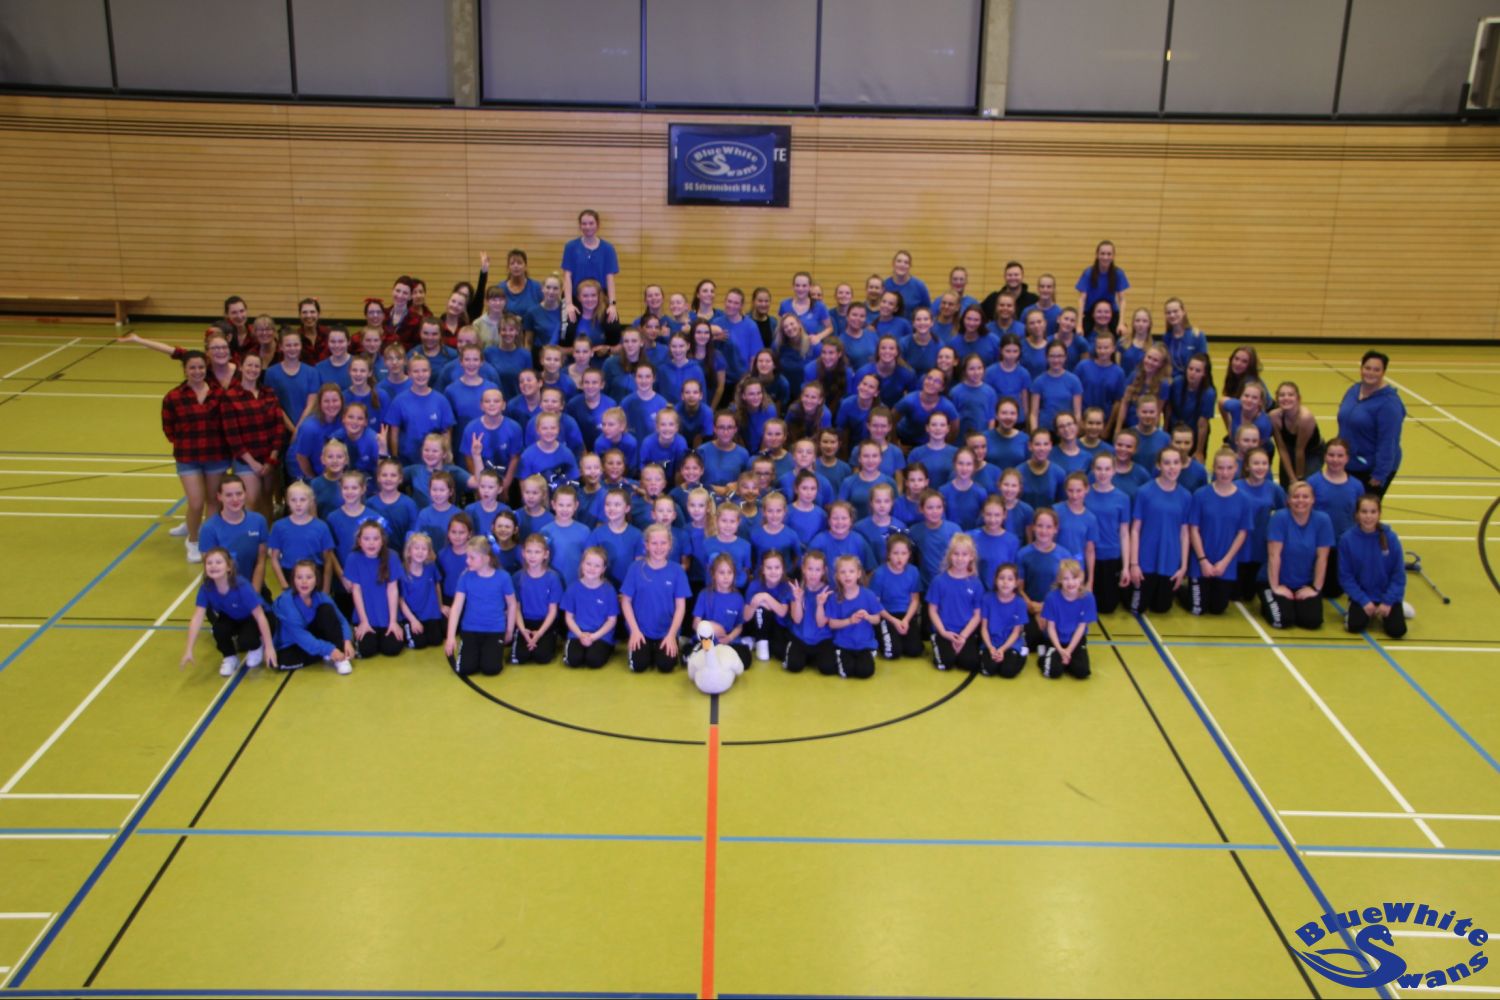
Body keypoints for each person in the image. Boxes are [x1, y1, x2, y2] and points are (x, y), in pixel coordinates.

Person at [161, 350, 230, 563]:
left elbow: (226, 423)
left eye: (201, 367)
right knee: (196, 502)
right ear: (185, 370)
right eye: (192, 368)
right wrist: (185, 442)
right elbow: (169, 429)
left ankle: (208, 541)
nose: (197, 371)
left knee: (213, 501)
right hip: (188, 457)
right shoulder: (173, 397)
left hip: (216, 455)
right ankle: (192, 540)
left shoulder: (219, 394)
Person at [180, 547, 278, 676]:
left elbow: (260, 616)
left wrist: (269, 647)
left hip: (254, 616)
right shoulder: (206, 588)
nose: (213, 566)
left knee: (247, 641)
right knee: (219, 630)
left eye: (218, 562)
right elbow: (197, 618)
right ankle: (230, 657)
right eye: (209, 563)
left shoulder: (241, 586)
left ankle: (257, 645)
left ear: (229, 567)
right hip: (232, 615)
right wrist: (189, 649)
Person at [1186, 450, 1252, 616]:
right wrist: (1203, 561)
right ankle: (1184, 589)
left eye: (1229, 468)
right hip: (1201, 561)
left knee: (1218, 609)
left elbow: (1242, 533)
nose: (1225, 473)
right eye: (1220, 468)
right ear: (1214, 468)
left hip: (1225, 564)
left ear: (1236, 468)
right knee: (1198, 609)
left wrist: (1225, 562)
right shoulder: (1201, 495)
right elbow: (1193, 529)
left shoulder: (1244, 499)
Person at [1129, 447, 1193, 615]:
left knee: (1161, 608)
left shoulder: (1186, 496)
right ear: (1158, 465)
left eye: (1176, 463)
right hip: (1146, 560)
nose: (1172, 467)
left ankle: (1175, 590)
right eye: (1167, 463)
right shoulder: (1144, 492)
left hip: (1169, 560)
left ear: (1182, 465)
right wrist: (1134, 564)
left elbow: (1184, 533)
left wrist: (1183, 567)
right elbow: (1135, 530)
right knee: (1137, 608)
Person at [1263, 481, 1334, 630]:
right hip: (1276, 580)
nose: (1300, 500)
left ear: (1313, 499)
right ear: (1288, 500)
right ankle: (1271, 598)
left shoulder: (1323, 520)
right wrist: (1275, 587)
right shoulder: (1279, 518)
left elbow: (1322, 558)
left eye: (1305, 497)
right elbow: (1274, 555)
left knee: (1312, 622)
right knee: (1283, 620)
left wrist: (1315, 588)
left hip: (1304, 583)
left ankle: (1293, 604)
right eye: (1295, 497)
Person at [620, 524, 691, 673]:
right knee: (638, 666)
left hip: (666, 631)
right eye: (654, 543)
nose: (659, 548)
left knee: (666, 666)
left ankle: (672, 644)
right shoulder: (635, 568)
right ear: (646, 545)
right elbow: (626, 601)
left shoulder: (677, 571)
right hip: (641, 630)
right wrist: (634, 631)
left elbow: (680, 607)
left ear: (670, 545)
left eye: (663, 543)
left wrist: (671, 635)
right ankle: (646, 649)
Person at [445, 537, 518, 676]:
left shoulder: (503, 577)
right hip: (470, 629)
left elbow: (512, 604)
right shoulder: (465, 576)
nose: (467, 561)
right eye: (467, 557)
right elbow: (456, 607)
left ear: (486, 558)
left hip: (494, 629)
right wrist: (450, 637)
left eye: (472, 558)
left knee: (491, 669)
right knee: (466, 669)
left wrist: (509, 630)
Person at [1336, 350, 1405, 497]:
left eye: (1376, 370)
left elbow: (1389, 441)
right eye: (1367, 368)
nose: (1371, 373)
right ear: (1361, 368)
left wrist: (1380, 474)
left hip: (1371, 470)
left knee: (1364, 510)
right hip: (1348, 463)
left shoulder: (1389, 404)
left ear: (1383, 372)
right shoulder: (1354, 390)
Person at [1338, 495, 1408, 639]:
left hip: (1386, 595)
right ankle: (1357, 608)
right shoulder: (1347, 539)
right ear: (1357, 514)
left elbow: (1398, 575)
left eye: (1373, 512)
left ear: (1379, 514)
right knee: (1354, 626)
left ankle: (1397, 606)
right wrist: (1363, 600)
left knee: (1397, 631)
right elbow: (1345, 577)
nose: (1368, 516)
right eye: (1364, 512)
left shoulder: (1391, 538)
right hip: (1363, 595)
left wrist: (1388, 601)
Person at [272, 559, 356, 674]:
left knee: (326, 610)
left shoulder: (320, 597)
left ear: (316, 580)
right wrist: (329, 650)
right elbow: (301, 637)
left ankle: (340, 657)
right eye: (299, 577)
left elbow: (341, 620)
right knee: (281, 662)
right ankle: (330, 652)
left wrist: (347, 641)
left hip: (311, 637)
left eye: (309, 577)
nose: (304, 582)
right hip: (291, 643)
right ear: (293, 580)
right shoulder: (286, 602)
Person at [198, 475, 268, 598]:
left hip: (253, 589)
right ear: (219, 497)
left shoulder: (258, 521)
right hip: (223, 592)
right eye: (229, 495)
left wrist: (253, 596)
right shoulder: (209, 529)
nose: (235, 499)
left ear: (245, 494)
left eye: (239, 494)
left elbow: (260, 562)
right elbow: (212, 570)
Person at [344, 522, 405, 659]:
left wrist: (393, 621)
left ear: (382, 540)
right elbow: (356, 591)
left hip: (386, 616)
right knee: (367, 650)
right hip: (365, 615)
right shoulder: (353, 558)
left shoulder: (392, 556)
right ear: (359, 541)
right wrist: (363, 622)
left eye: (376, 538)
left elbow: (393, 589)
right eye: (366, 539)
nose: (371, 543)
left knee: (392, 648)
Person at [816, 554, 882, 680]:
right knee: (846, 671)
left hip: (864, 644)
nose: (847, 575)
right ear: (837, 576)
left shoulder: (869, 595)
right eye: (843, 572)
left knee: (865, 672)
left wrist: (868, 617)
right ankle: (838, 657)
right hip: (843, 644)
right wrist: (849, 621)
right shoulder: (834, 597)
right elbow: (832, 624)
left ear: (858, 574)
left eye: (851, 571)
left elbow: (877, 619)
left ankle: (865, 657)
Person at [925, 534, 983, 672]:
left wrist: (963, 636)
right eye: (956, 554)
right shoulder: (939, 581)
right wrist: (943, 632)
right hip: (944, 631)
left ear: (971, 557)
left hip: (965, 632)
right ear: (950, 556)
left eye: (964, 554)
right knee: (945, 663)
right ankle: (938, 641)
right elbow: (932, 610)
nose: (960, 558)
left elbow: (977, 615)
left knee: (969, 663)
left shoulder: (975, 583)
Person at [1038, 559, 1096, 680]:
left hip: (1075, 640)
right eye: (1066, 578)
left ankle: (1064, 659)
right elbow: (1051, 628)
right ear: (1059, 580)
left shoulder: (1088, 598)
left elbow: (1081, 627)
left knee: (1082, 672)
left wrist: (1068, 651)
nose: (1070, 583)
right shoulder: (1051, 598)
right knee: (1053, 672)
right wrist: (1060, 650)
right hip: (1056, 639)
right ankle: (1044, 654)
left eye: (1074, 578)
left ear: (1081, 578)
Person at [510, 534, 563, 664]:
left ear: (545, 554)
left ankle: (551, 637)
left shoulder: (553, 578)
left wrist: (539, 633)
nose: (532, 556)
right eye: (529, 551)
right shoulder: (517, 577)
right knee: (520, 657)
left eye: (537, 552)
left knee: (542, 657)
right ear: (523, 553)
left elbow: (552, 611)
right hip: (525, 622)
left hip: (545, 622)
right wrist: (523, 630)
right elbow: (516, 608)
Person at [869, 534, 923, 661]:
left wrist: (906, 620)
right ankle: (881, 636)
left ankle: (898, 637)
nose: (899, 558)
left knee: (915, 651)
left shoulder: (913, 572)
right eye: (895, 553)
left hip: (906, 615)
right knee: (892, 652)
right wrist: (894, 621)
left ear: (909, 555)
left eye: (903, 553)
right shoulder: (880, 573)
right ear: (888, 554)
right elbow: (875, 604)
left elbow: (915, 599)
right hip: (886, 615)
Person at [561, 209, 619, 324]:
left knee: (613, 327)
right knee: (569, 330)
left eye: (591, 223)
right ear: (580, 225)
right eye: (584, 223)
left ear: (598, 225)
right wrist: (569, 304)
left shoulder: (608, 248)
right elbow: (567, 277)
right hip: (576, 296)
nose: (587, 227)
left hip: (600, 298)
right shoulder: (571, 247)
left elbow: (610, 279)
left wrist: (612, 304)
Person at [786, 549, 834, 674]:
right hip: (800, 638)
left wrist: (820, 605)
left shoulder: (828, 592)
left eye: (817, 570)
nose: (813, 574)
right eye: (810, 569)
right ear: (803, 569)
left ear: (824, 571)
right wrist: (798, 600)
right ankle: (806, 657)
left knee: (827, 668)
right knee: (794, 666)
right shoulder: (797, 590)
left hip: (822, 638)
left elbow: (821, 623)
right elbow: (797, 620)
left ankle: (813, 657)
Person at [1269, 381, 1324, 490]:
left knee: (1306, 484)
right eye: (1282, 395)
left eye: (1290, 395)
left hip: (1312, 452)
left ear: (1298, 398)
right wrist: (1291, 478)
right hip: (1289, 449)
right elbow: (1282, 449)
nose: (1286, 398)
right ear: (1277, 398)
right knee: (1286, 486)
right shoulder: (1274, 417)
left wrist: (1299, 478)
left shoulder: (1305, 418)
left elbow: (1300, 451)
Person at [397, 532, 445, 649]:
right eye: (416, 548)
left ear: (429, 552)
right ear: (409, 551)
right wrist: (413, 620)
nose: (420, 552)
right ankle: (405, 628)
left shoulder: (431, 567)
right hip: (411, 616)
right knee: (419, 644)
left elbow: (437, 586)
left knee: (436, 640)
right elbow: (400, 600)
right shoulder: (402, 572)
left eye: (424, 549)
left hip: (430, 614)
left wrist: (440, 605)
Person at [979, 563, 1028, 679]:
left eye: (1010, 579)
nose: (1005, 582)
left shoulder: (1020, 603)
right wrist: (991, 648)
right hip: (991, 643)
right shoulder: (987, 599)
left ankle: (1022, 653)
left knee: (1008, 671)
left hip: (1010, 644)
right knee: (988, 669)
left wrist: (1002, 649)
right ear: (995, 580)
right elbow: (984, 628)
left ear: (1016, 583)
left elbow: (1016, 632)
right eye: (1001, 578)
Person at [1075, 240, 1129, 336]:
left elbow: (1122, 300)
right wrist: (1079, 325)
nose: (1105, 257)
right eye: (1102, 254)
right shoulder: (1089, 273)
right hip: (1090, 311)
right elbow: (1082, 299)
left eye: (1109, 254)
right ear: (1097, 255)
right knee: (1079, 335)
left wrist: (1121, 323)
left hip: (1110, 311)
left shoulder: (1118, 273)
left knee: (1121, 333)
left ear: (1113, 256)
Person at [1161, 298, 1208, 376]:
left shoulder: (1197, 336)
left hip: (1192, 379)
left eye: (1175, 311)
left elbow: (1203, 364)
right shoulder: (1166, 338)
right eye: (1168, 313)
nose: (1172, 315)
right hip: (1171, 380)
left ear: (1183, 312)